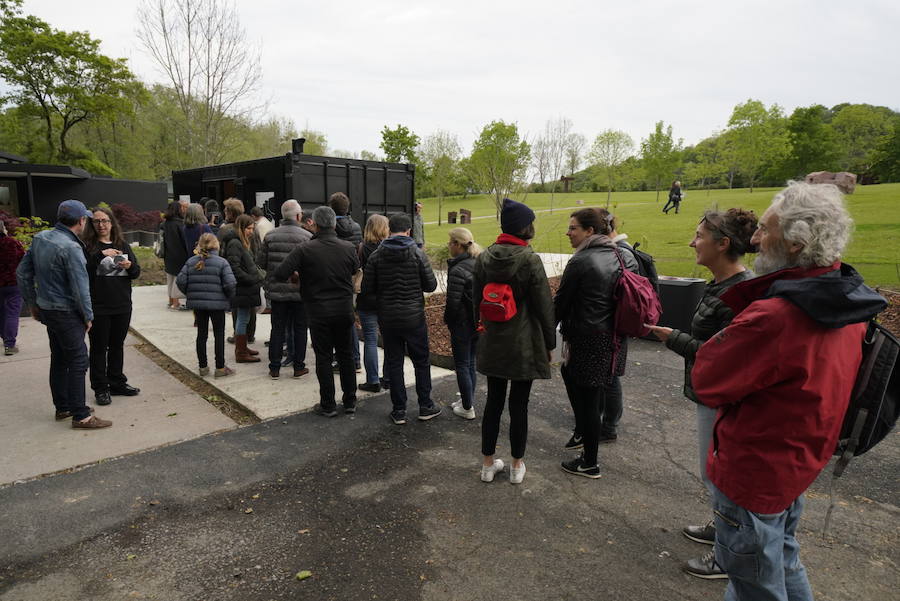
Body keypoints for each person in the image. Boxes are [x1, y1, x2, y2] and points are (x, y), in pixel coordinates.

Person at [690, 182, 886, 600]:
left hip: (755, 470)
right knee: (781, 559)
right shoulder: (847, 300)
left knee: (754, 582)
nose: (756, 239)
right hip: (796, 459)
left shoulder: (777, 316)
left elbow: (706, 379)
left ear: (795, 244)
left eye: (764, 229)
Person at [645, 208, 757, 576]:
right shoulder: (721, 284)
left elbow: (722, 356)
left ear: (723, 244)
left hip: (721, 398)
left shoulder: (740, 293)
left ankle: (728, 554)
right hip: (708, 393)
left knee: (718, 473)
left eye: (700, 236)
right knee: (713, 470)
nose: (693, 242)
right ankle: (721, 526)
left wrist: (672, 338)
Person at [473, 199, 555, 484]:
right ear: (525, 227)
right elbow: (544, 305)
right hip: (523, 344)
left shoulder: (483, 257)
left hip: (493, 340)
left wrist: (479, 330)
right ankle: (517, 465)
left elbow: (475, 300)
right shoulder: (530, 260)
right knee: (519, 404)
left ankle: (487, 465)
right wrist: (549, 343)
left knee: (493, 403)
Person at [554, 208, 639, 479]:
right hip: (615, 337)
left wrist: (545, 336)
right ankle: (585, 436)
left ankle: (589, 462)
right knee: (595, 393)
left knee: (590, 401)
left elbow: (560, 304)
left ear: (590, 231)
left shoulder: (581, 261)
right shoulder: (621, 255)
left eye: (573, 228)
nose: (568, 232)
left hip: (589, 338)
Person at [16, 200, 111, 428]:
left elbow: (22, 274)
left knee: (59, 358)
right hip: (66, 312)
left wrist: (33, 304)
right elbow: (80, 287)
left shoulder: (41, 238)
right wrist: (88, 316)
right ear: (81, 221)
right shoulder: (71, 248)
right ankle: (81, 415)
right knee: (78, 360)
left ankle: (64, 406)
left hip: (48, 309)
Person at [273, 206, 360, 416]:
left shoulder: (305, 249)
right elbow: (354, 271)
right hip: (343, 309)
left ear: (316, 224)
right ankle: (350, 401)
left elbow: (280, 273)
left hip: (318, 311)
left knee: (323, 357)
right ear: (333, 224)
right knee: (346, 355)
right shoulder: (348, 247)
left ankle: (328, 404)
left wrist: (298, 277)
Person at [361, 212, 439, 425]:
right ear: (408, 231)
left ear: (389, 230)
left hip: (389, 318)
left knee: (394, 362)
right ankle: (425, 405)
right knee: (421, 361)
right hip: (414, 316)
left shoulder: (377, 255)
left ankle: (399, 410)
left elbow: (367, 289)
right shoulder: (417, 253)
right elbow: (431, 285)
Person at [82, 206, 142, 406]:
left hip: (122, 304)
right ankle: (100, 388)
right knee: (99, 349)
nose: (101, 225)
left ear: (112, 223)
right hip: (99, 306)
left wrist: (130, 266)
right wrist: (101, 255)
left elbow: (136, 272)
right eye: (97, 221)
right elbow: (84, 271)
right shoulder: (87, 246)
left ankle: (116, 382)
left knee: (117, 346)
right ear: (92, 224)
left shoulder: (122, 245)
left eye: (105, 221)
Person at [257, 199, 312, 379]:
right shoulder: (307, 237)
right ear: (297, 216)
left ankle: (274, 367)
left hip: (277, 291)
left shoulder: (270, 236)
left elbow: (261, 262)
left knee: (277, 329)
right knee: (300, 329)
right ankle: (298, 366)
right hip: (299, 292)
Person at [177, 233, 237, 378]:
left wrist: (191, 293)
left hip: (198, 305)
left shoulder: (191, 261)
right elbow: (230, 284)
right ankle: (220, 367)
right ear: (216, 245)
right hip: (217, 305)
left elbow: (180, 281)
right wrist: (228, 298)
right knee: (219, 335)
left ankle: (203, 367)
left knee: (201, 335)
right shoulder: (222, 262)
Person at [444, 227, 482, 420]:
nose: (449, 246)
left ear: (458, 245)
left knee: (462, 365)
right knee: (471, 363)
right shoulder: (478, 263)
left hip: (462, 323)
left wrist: (448, 321)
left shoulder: (458, 269)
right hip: (478, 322)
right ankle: (468, 401)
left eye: (450, 242)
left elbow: (453, 302)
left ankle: (467, 407)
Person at [220, 214, 264, 363]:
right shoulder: (235, 243)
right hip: (243, 288)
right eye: (249, 228)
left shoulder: (241, 242)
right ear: (241, 228)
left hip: (246, 288)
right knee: (243, 318)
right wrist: (251, 279)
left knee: (244, 318)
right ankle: (240, 351)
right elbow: (234, 267)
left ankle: (243, 347)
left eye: (252, 228)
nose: (251, 231)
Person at [328, 192, 363, 370]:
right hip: (351, 278)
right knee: (349, 319)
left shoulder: (331, 229)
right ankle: (355, 358)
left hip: (334, 278)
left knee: (336, 321)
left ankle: (340, 357)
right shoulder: (357, 227)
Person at [355, 214, 389, 393]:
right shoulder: (390, 248)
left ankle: (373, 380)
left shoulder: (361, 248)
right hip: (387, 300)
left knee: (370, 340)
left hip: (367, 299)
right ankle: (389, 377)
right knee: (390, 340)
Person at [218, 198, 258, 345]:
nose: (224, 212)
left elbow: (221, 253)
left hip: (238, 275)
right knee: (250, 306)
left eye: (226, 210)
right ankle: (250, 334)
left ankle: (239, 335)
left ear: (230, 212)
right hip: (251, 272)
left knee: (238, 307)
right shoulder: (251, 225)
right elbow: (257, 249)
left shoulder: (225, 230)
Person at [0, 219, 25, 355]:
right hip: (12, 283)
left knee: (2, 312)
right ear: (3, 228)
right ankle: (9, 344)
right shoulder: (12, 242)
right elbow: (23, 259)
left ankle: (4, 337)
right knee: (12, 313)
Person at [161, 200, 189, 310]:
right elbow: (184, 240)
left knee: (170, 278)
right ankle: (176, 302)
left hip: (168, 254)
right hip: (179, 254)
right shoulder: (180, 223)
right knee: (177, 278)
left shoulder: (164, 223)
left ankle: (171, 301)